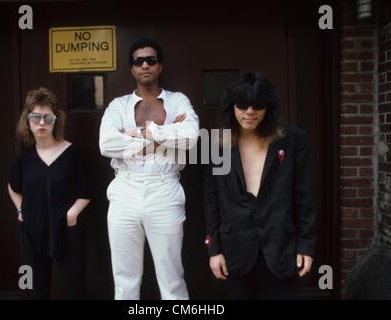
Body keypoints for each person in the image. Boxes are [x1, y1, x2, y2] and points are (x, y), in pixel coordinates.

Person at [99, 37, 199, 300]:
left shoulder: (178, 101)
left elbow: (190, 137)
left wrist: (138, 133)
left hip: (165, 188)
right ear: (132, 68)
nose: (145, 65)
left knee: (171, 277)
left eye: (151, 60)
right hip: (125, 188)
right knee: (124, 278)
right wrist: (165, 135)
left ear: (160, 66)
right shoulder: (117, 106)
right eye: (138, 61)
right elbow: (106, 144)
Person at [204, 72, 316, 299]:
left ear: (269, 107)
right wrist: (213, 249)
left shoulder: (291, 139)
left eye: (258, 105)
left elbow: (303, 195)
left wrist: (306, 244)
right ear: (232, 106)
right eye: (242, 104)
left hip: (280, 246)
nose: (249, 112)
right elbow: (211, 199)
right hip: (234, 248)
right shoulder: (216, 143)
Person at [8, 87, 91, 299]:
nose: (42, 123)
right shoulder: (25, 158)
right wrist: (20, 209)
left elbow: (86, 191)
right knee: (30, 286)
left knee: (75, 289)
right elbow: (12, 186)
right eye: (35, 117)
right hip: (31, 232)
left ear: (56, 120)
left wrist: (71, 216)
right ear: (27, 121)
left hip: (67, 231)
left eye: (48, 117)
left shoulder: (72, 154)